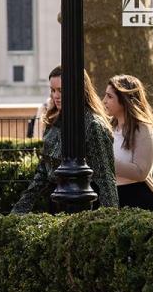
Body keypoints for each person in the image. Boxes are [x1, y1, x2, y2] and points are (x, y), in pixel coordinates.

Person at [12, 66, 118, 213]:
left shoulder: (93, 125)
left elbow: (106, 178)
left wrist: (110, 218)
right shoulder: (53, 120)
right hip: (55, 203)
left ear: (78, 88)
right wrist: (20, 208)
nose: (56, 95)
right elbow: (44, 170)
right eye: (53, 90)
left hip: (86, 207)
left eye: (61, 90)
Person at [103, 74, 153, 212]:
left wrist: (106, 162)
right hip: (111, 198)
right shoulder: (108, 128)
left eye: (110, 96)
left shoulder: (143, 129)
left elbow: (141, 172)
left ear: (124, 100)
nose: (104, 101)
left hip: (139, 200)